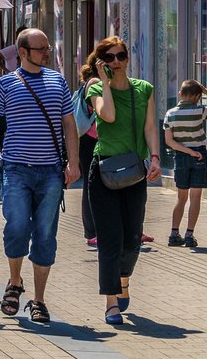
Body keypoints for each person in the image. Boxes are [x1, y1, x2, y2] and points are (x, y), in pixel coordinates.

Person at [0, 28, 80, 326]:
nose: (46, 53)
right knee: (17, 227)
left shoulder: (58, 82)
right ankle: (15, 282)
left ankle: (39, 300)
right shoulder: (7, 84)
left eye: (47, 48)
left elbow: (69, 125)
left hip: (51, 172)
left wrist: (74, 163)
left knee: (45, 234)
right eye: (41, 49)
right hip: (16, 170)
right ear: (23, 53)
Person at [85, 36, 161, 325]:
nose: (117, 62)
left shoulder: (144, 89)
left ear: (128, 58)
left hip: (135, 172)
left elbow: (151, 126)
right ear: (102, 62)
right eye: (110, 58)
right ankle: (111, 303)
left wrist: (155, 157)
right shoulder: (95, 87)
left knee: (132, 238)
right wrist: (104, 81)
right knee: (110, 240)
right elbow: (109, 115)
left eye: (121, 56)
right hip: (103, 171)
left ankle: (124, 278)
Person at [163, 79, 206, 249]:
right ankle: (189, 235)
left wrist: (187, 151)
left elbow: (169, 141)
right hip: (200, 156)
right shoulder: (200, 111)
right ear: (197, 96)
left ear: (180, 94)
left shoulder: (170, 114)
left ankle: (174, 234)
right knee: (196, 197)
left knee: (181, 197)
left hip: (180, 156)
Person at [77, 61, 100, 247]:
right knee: (90, 184)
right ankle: (91, 232)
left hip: (93, 138)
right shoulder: (94, 82)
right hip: (89, 139)